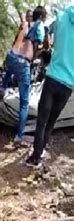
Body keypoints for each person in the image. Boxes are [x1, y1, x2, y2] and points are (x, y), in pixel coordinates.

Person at [26, 5, 74, 168]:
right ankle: (43, 148)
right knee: (52, 121)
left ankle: (35, 158)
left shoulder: (60, 16)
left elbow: (45, 33)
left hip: (53, 78)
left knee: (41, 121)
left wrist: (49, 47)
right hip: (68, 85)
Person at [0, 6, 47, 146]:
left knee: (11, 68)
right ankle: (19, 137)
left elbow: (17, 43)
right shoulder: (40, 27)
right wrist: (43, 47)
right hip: (22, 62)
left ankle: (2, 88)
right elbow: (39, 46)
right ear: (42, 17)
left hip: (11, 56)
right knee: (24, 103)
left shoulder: (24, 25)